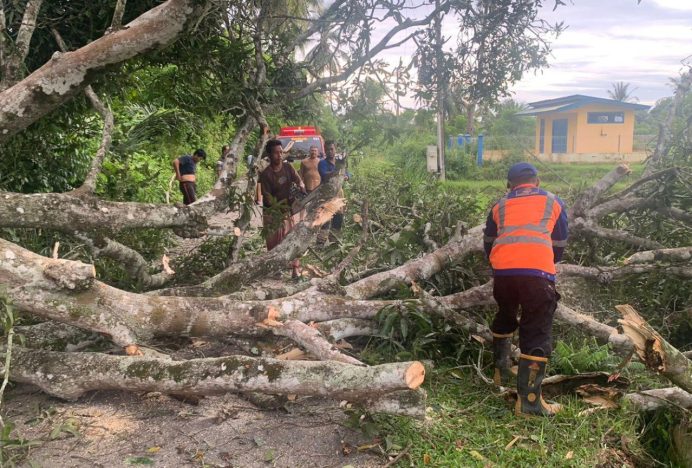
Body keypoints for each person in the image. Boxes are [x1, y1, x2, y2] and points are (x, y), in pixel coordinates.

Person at [483, 162, 568, 417]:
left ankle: (501, 369)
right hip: (538, 273)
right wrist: (546, 261)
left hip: (504, 273)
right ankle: (530, 404)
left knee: (506, 314)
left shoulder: (499, 205)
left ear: (509, 185)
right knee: (536, 329)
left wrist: (505, 264)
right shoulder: (553, 201)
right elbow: (560, 242)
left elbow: (488, 243)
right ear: (537, 181)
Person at [259, 139, 306, 277]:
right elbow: (267, 196)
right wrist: (277, 210)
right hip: (271, 212)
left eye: (281, 152)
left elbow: (299, 180)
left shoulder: (288, 168)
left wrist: (302, 188)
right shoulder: (266, 174)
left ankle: (295, 269)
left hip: (288, 209)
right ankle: (275, 268)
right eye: (276, 153)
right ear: (269, 155)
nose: (279, 155)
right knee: (274, 242)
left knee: (293, 238)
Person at [317, 140, 348, 231]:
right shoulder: (322, 163)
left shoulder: (339, 162)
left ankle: (334, 240)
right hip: (326, 194)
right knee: (325, 219)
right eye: (327, 150)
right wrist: (335, 171)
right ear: (325, 150)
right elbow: (324, 175)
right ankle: (321, 242)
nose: (329, 151)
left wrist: (346, 176)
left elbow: (346, 173)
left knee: (338, 216)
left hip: (338, 193)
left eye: (331, 149)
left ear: (335, 149)